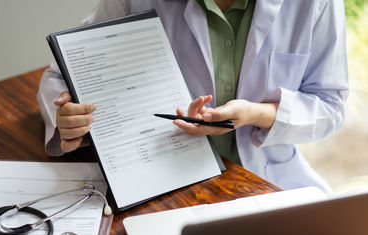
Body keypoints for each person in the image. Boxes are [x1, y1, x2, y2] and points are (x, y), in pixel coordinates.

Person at [37, 0, 349, 193]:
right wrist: (65, 116)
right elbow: (56, 77)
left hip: (267, 181)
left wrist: (256, 114)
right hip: (161, 179)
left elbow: (330, 106)